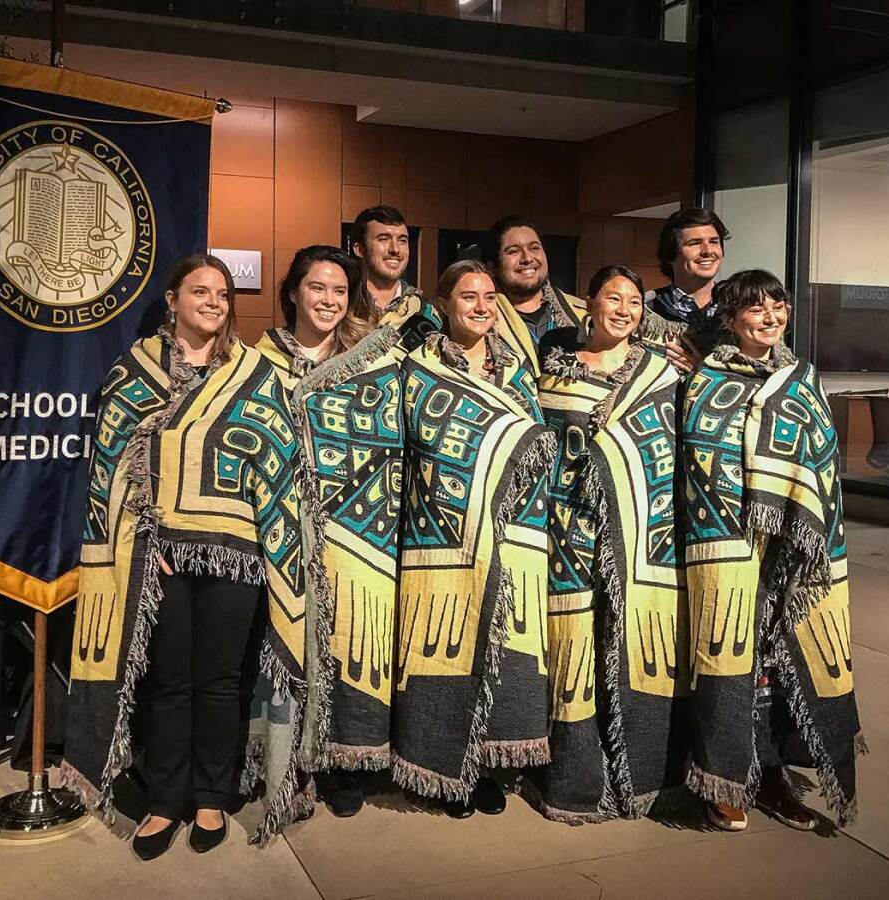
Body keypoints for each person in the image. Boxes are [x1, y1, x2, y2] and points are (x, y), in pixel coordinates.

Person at [63, 254, 308, 858]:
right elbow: (112, 468)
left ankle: (211, 796)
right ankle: (163, 800)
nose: (214, 303)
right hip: (159, 556)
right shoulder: (135, 371)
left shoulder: (254, 373)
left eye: (222, 294)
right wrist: (145, 538)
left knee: (223, 683)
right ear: (172, 300)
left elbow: (278, 460)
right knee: (169, 682)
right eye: (201, 292)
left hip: (237, 555)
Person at [681, 269, 863, 833]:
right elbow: (698, 458)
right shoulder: (706, 379)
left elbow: (825, 456)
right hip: (729, 544)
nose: (770, 317)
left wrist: (796, 520)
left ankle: (775, 773)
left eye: (778, 306)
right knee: (730, 663)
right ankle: (724, 778)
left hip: (793, 550)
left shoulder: (801, 377)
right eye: (756, 308)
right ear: (731, 318)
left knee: (781, 668)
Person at [393, 259, 555, 818]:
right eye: (469, 296)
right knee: (446, 654)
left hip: (514, 535)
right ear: (443, 306)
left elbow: (540, 449)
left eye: (489, 296)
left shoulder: (519, 372)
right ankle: (440, 767)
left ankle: (487, 766)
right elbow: (414, 444)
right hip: (444, 536)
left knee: (504, 657)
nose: (482, 306)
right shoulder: (416, 369)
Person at [532, 265, 689, 823]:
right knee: (573, 650)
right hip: (567, 533)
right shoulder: (552, 368)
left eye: (632, 301)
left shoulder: (663, 373)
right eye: (612, 297)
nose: (623, 309)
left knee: (634, 647)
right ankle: (576, 779)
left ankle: (641, 776)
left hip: (644, 533)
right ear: (589, 305)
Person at [259, 246, 405, 819]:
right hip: (279, 526)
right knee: (283, 645)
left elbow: (392, 444)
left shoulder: (371, 363)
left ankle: (343, 760)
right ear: (293, 292)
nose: (329, 300)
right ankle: (285, 762)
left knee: (348, 648)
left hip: (354, 529)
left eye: (340, 291)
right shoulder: (256, 360)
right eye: (318, 288)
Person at [485, 215, 588, 375]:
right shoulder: (480, 320)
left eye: (534, 248)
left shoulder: (583, 314)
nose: (527, 258)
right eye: (513, 251)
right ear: (492, 266)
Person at [646, 208, 731, 373]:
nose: (707, 251)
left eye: (714, 242)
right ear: (671, 254)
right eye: (695, 243)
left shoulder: (739, 307)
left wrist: (702, 371)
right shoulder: (645, 311)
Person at [350, 204, 442, 353]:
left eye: (402, 240)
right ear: (359, 249)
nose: (395, 249)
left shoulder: (424, 312)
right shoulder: (342, 305)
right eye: (383, 239)